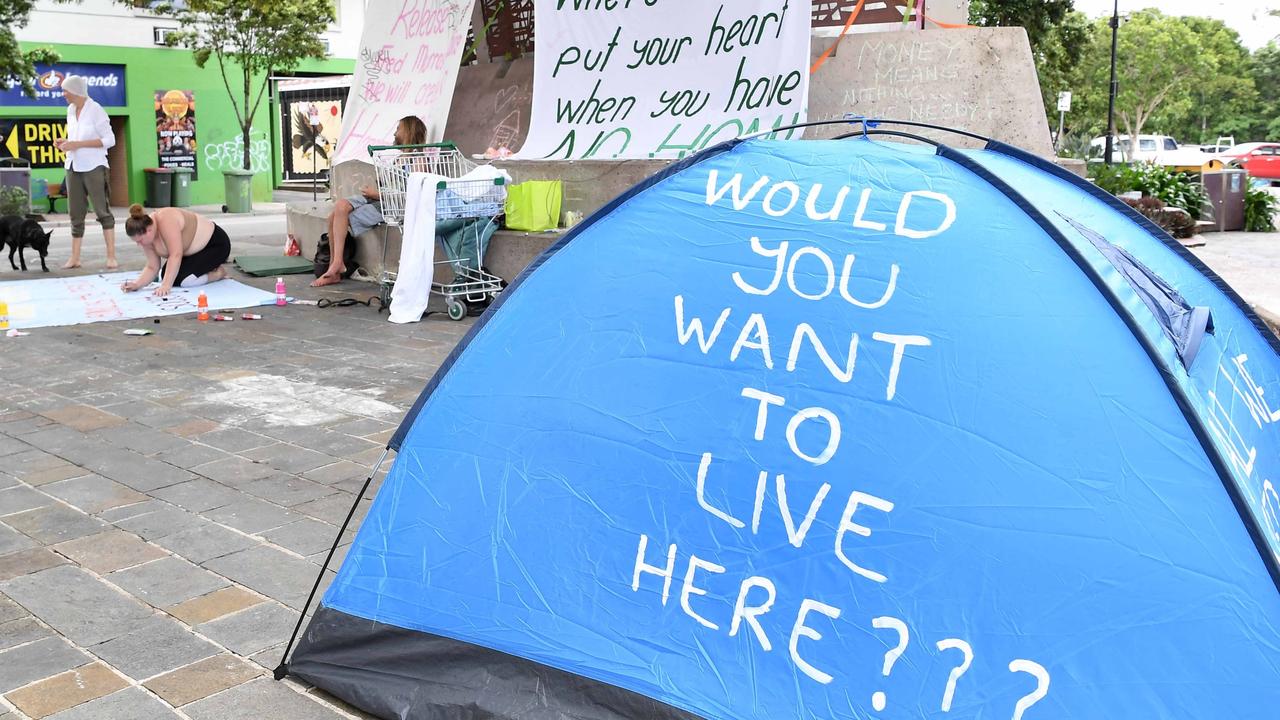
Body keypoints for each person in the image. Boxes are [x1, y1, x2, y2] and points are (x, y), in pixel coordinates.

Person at [312, 115, 428, 287]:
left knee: (335, 218)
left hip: (390, 206)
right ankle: (337, 264)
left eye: (398, 129)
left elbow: (411, 194)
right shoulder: (398, 159)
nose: (395, 133)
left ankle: (335, 266)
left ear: (408, 131)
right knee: (340, 206)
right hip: (379, 199)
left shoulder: (418, 160)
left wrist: (378, 194)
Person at [53, 74, 118, 270]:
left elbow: (110, 140)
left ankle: (111, 256)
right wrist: (64, 143)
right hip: (73, 165)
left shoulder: (96, 110)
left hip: (94, 166)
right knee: (75, 213)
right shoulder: (70, 110)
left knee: (102, 211)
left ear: (76, 91)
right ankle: (75, 258)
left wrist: (78, 144)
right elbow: (74, 138)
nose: (63, 94)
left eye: (65, 90)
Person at [119, 204, 229, 297]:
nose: (139, 244)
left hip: (215, 245)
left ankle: (219, 273)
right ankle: (207, 268)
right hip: (191, 253)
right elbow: (152, 267)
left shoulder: (166, 219)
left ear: (149, 230)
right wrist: (137, 285)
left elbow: (176, 254)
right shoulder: (147, 236)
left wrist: (166, 286)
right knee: (165, 276)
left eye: (140, 240)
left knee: (185, 281)